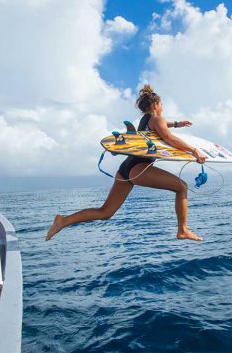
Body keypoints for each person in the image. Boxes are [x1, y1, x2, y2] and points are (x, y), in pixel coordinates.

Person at [46, 84, 208, 241]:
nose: (163, 108)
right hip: (139, 168)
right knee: (182, 187)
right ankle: (183, 230)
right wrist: (194, 151)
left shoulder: (145, 120)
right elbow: (169, 137)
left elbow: (162, 126)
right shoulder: (157, 119)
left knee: (106, 212)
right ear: (156, 104)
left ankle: (63, 221)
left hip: (125, 168)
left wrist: (177, 124)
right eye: (162, 104)